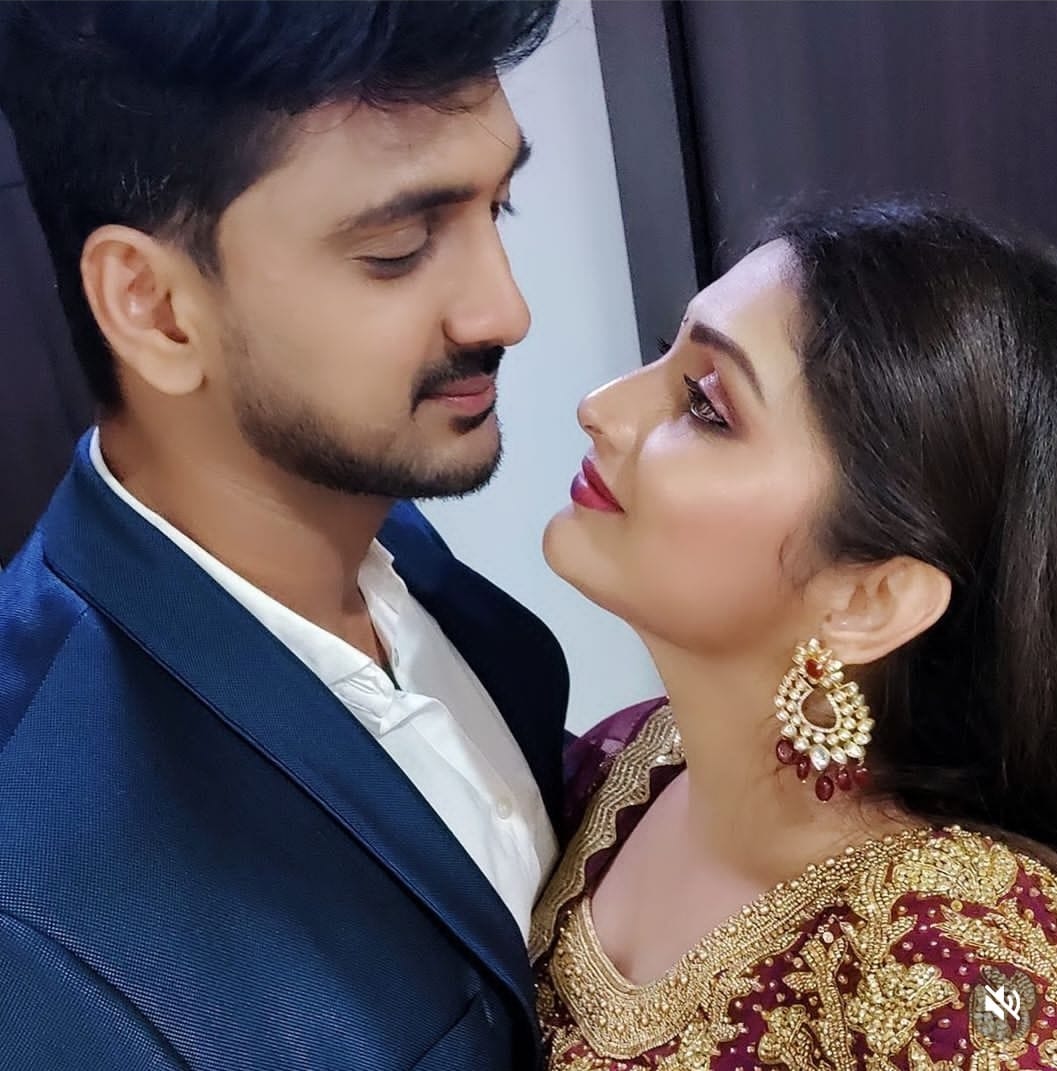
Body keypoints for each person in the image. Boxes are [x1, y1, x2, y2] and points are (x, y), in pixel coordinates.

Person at [0, 3, 568, 1068]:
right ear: (155, 308)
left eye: (501, 207)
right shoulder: (40, 931)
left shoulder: (405, 564)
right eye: (398, 249)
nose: (504, 310)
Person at [532, 202, 1057, 1070]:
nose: (599, 407)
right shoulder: (624, 763)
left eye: (704, 404)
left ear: (867, 598)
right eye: (665, 352)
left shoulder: (959, 962)